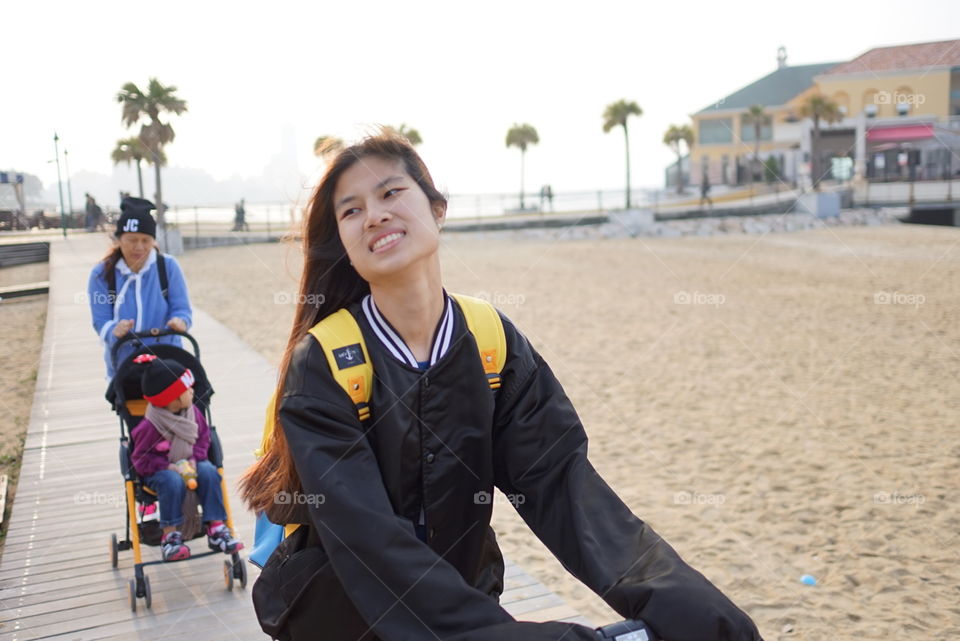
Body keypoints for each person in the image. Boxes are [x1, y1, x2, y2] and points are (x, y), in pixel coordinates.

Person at [239, 134, 762, 641]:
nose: (375, 214)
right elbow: (368, 540)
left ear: (437, 208)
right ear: (345, 246)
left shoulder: (491, 340)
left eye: (391, 192)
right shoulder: (325, 362)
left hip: (469, 608)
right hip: (343, 619)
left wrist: (694, 608)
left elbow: (564, 491)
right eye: (350, 210)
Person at [131, 355, 243, 561]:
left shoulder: (193, 414)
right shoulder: (150, 426)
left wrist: (195, 459)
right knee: (172, 480)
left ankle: (216, 527)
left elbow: (203, 439)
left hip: (191, 462)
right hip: (161, 472)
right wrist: (167, 466)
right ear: (172, 398)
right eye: (187, 389)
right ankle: (170, 536)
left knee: (209, 470)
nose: (192, 391)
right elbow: (141, 460)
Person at [87, 196, 193, 378]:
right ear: (119, 240)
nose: (139, 247)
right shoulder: (101, 274)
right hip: (124, 365)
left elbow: (182, 309)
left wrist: (180, 321)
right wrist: (114, 330)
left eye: (146, 240)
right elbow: (100, 320)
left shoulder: (168, 267)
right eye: (132, 240)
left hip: (168, 362)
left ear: (154, 241)